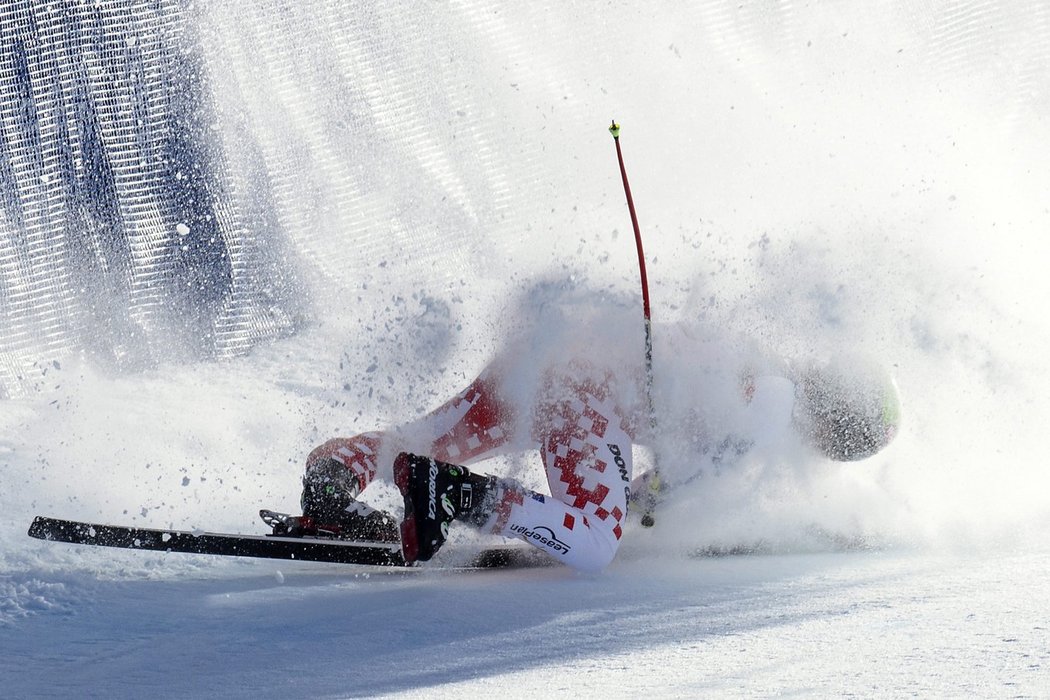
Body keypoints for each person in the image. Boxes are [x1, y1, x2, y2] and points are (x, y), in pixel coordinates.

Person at [287, 323, 901, 573]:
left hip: (544, 357)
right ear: (835, 426)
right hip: (586, 397)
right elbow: (666, 493)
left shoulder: (755, 351)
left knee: (419, 444)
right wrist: (654, 511)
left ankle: (333, 485)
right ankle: (455, 497)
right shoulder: (772, 411)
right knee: (593, 540)